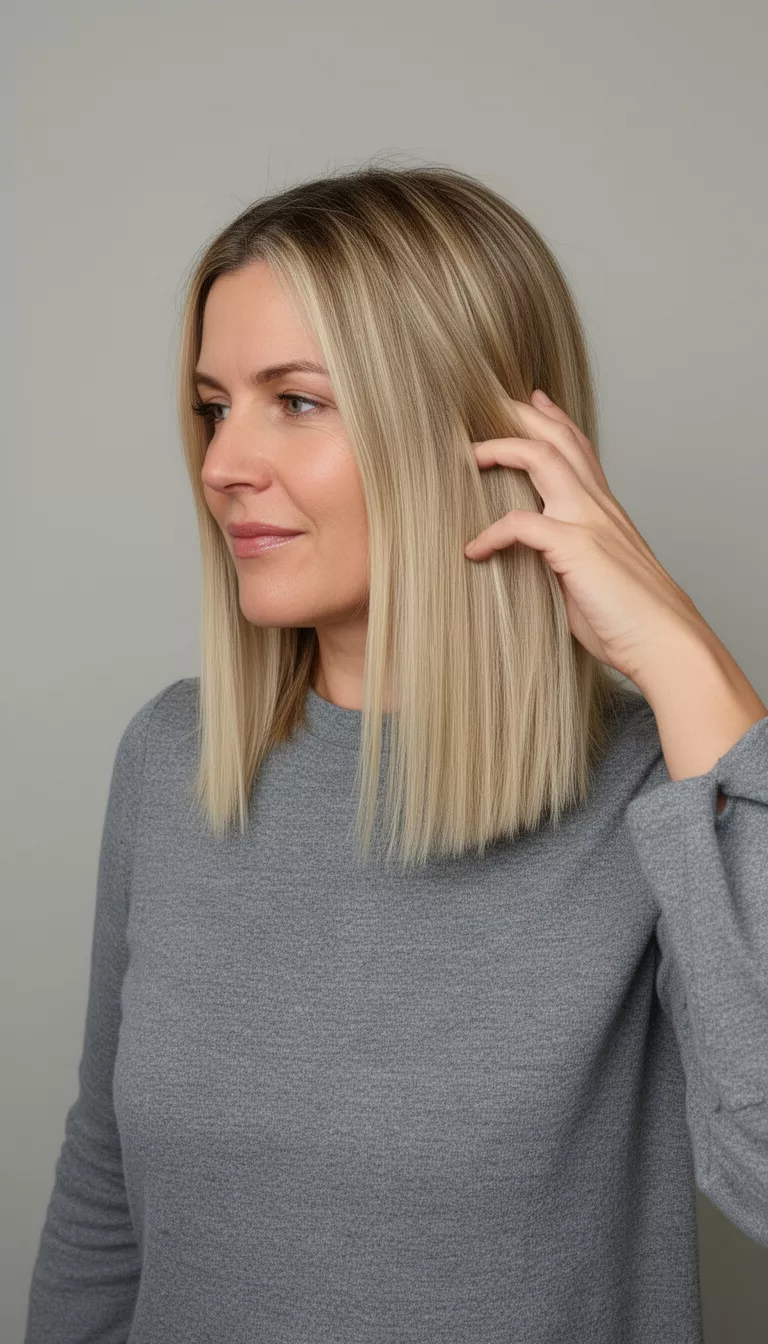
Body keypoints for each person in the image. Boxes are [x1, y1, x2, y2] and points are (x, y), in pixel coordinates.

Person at [25, 164, 768, 1344]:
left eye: (297, 401)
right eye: (215, 404)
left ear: (479, 435)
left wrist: (680, 650)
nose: (223, 463)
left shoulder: (658, 792)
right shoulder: (175, 757)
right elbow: (106, 1192)